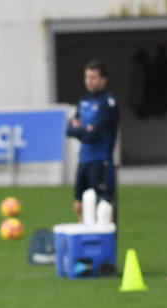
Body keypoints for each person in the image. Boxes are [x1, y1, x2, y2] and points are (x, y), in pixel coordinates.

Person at [66, 60, 119, 222]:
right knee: (79, 206)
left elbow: (95, 134)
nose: (89, 81)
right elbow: (69, 130)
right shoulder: (84, 102)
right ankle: (85, 236)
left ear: (103, 80)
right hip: (83, 160)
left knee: (103, 207)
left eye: (93, 77)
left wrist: (82, 129)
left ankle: (108, 236)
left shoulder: (108, 102)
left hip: (100, 161)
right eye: (87, 77)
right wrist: (86, 129)